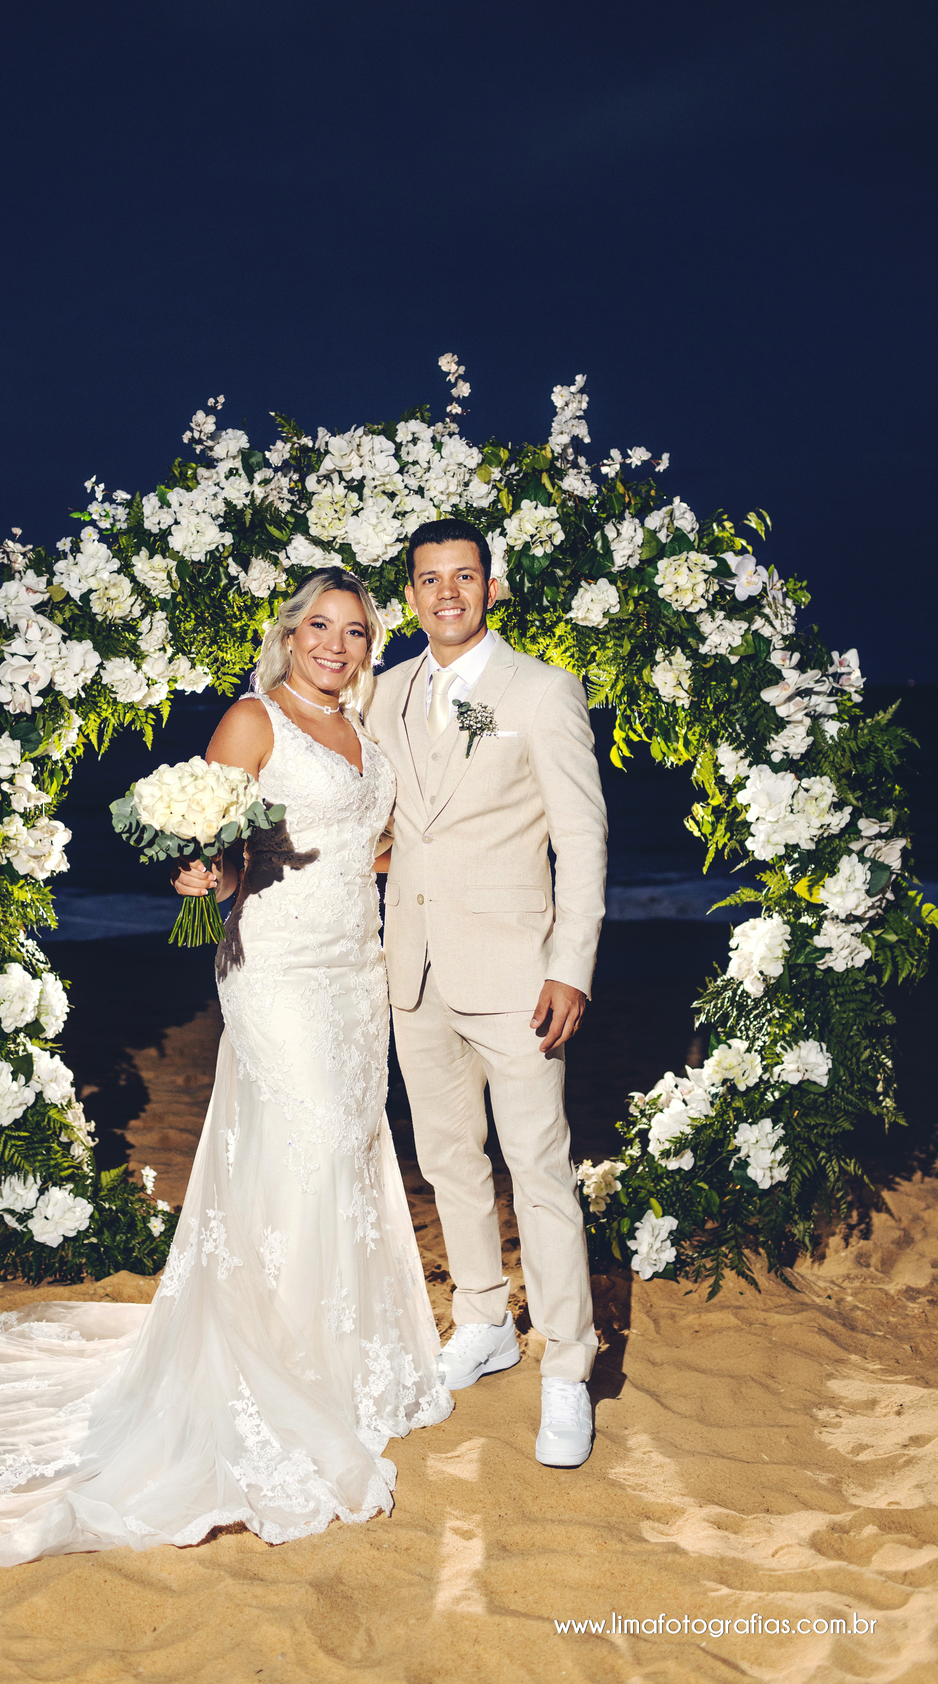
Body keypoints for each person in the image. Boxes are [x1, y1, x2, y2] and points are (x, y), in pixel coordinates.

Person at [0, 567, 452, 1564]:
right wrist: (208, 871)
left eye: (354, 630)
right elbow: (228, 848)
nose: (336, 644)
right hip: (280, 971)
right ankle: (277, 1368)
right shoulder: (254, 722)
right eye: (319, 627)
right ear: (289, 636)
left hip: (356, 971)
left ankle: (336, 1356)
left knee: (346, 1144)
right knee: (308, 1145)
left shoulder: (366, 731)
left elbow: (364, 851)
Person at [366, 519, 608, 1468]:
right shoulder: (386, 692)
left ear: (492, 586)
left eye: (463, 577)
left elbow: (582, 843)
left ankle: (566, 1368)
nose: (448, 594)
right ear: (412, 595)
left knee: (539, 1168)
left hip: (517, 976)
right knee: (447, 1158)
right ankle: (482, 1323)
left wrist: (570, 967)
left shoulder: (542, 693)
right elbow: (379, 821)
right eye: (430, 580)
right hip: (414, 969)